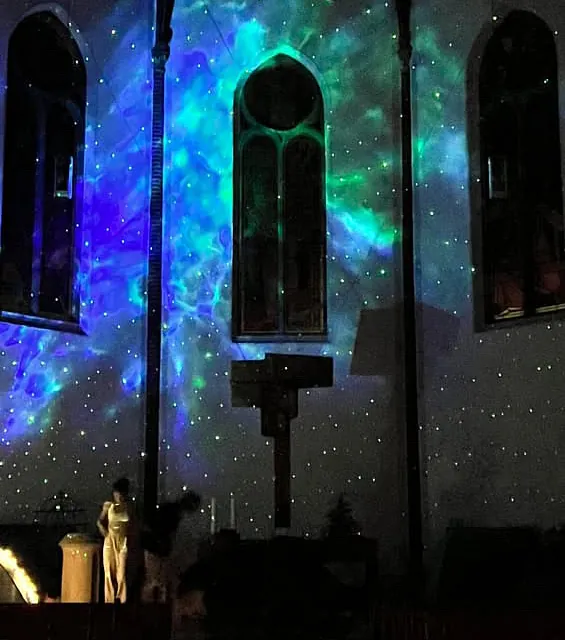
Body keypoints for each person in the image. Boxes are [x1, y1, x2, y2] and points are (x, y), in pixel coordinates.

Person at [142, 490, 201, 603]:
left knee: (154, 580)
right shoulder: (173, 513)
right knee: (157, 580)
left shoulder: (171, 510)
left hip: (155, 549)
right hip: (157, 550)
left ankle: (151, 605)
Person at [97, 477, 136, 603]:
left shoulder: (129, 507)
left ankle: (122, 600)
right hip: (110, 540)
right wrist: (104, 532)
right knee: (109, 571)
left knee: (121, 573)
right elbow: (99, 521)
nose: (118, 496)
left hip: (123, 542)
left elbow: (133, 525)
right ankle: (109, 601)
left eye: (120, 493)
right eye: (116, 493)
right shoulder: (108, 506)